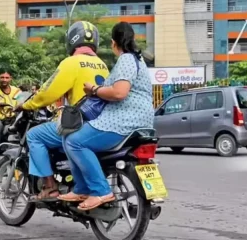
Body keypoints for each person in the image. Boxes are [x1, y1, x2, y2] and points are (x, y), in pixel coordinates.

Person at [58, 22, 154, 211]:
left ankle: (97, 190)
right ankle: (84, 186)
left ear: (113, 43)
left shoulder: (126, 59)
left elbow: (119, 93)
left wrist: (94, 89)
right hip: (143, 121)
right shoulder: (139, 60)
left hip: (123, 121)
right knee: (76, 139)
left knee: (73, 141)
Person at [16, 21, 110, 200]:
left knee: (34, 136)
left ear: (72, 40)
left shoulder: (72, 62)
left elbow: (47, 93)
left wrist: (26, 104)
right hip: (101, 124)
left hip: (80, 123)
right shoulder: (102, 64)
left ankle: (49, 186)